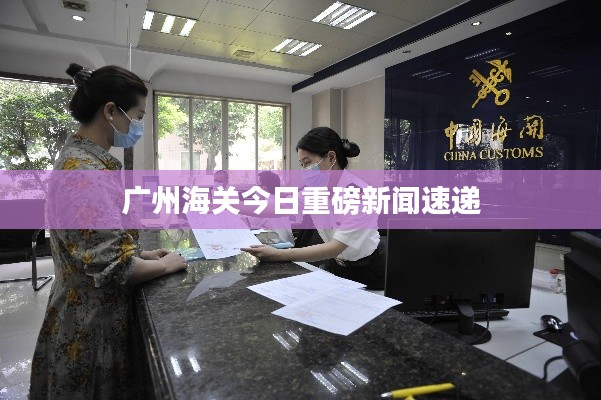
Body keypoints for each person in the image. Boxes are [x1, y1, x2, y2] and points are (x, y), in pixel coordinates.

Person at [29, 63, 187, 400]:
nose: (138, 126)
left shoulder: (81, 160)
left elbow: (93, 243)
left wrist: (141, 254)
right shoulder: (85, 173)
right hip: (93, 325)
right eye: (138, 116)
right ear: (111, 111)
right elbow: (117, 268)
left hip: (86, 310)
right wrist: (167, 264)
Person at [241, 127, 385, 289]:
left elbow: (335, 247)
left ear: (331, 157)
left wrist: (278, 255)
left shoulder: (360, 193)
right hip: (337, 265)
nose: (305, 170)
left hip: (368, 269)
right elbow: (274, 208)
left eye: (308, 162)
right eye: (302, 164)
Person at [246, 170, 295, 244]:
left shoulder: (264, 205)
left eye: (257, 185)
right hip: (288, 244)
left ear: (264, 188)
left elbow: (248, 223)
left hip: (275, 246)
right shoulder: (282, 202)